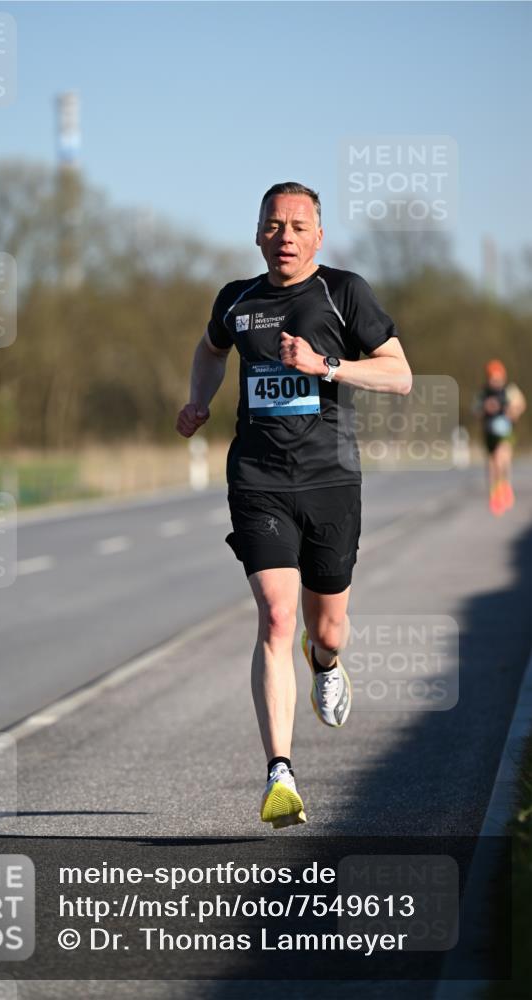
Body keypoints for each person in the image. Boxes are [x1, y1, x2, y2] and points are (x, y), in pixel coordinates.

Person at [176, 182, 412, 829]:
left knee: (324, 629)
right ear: (256, 233)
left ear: (318, 236)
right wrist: (199, 398)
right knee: (277, 618)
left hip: (330, 480)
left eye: (297, 225)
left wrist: (326, 366)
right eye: (273, 225)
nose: (284, 236)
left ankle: (327, 663)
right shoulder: (236, 300)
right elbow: (209, 350)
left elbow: (398, 374)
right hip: (257, 478)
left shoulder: (343, 293)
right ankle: (279, 771)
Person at [475, 360, 527, 515]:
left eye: (498, 379)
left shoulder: (509, 390)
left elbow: (521, 404)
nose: (495, 382)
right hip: (489, 432)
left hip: (505, 431)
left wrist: (512, 411)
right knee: (492, 464)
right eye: (492, 379)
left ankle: (505, 486)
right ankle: (495, 493)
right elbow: (476, 410)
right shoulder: (484, 393)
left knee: (501, 458)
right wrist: (486, 408)